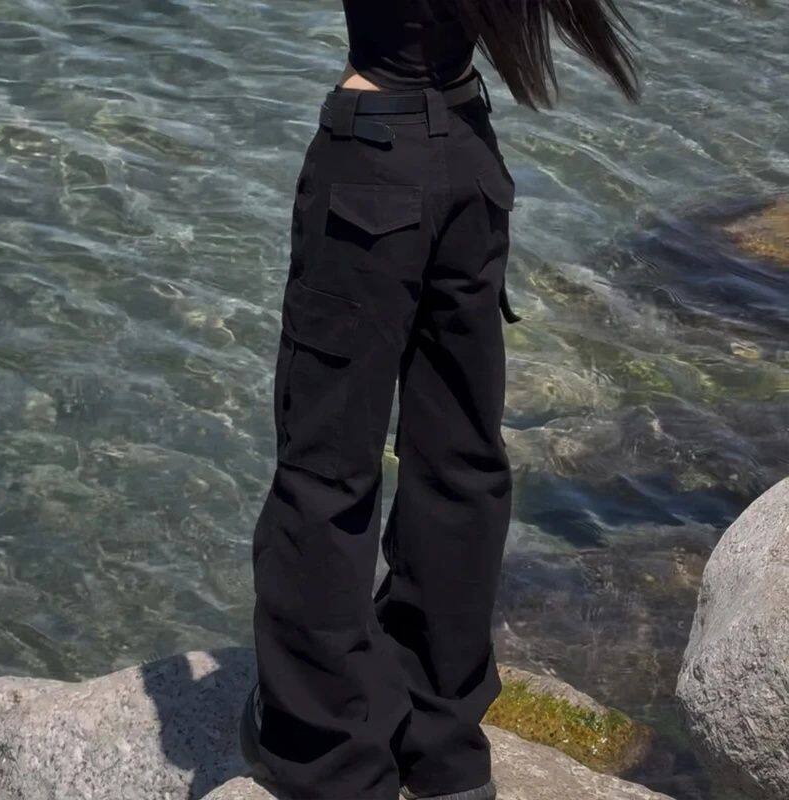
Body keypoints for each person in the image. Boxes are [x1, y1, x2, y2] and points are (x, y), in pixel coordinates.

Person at [241, 2, 639, 799]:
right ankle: (442, 744)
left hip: (373, 166)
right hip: (467, 156)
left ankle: (332, 754)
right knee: (459, 459)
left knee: (326, 472)